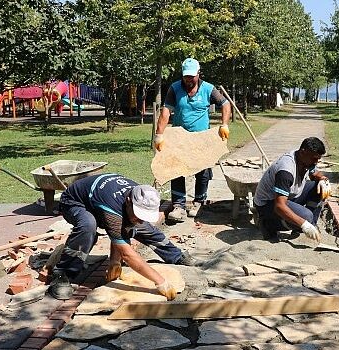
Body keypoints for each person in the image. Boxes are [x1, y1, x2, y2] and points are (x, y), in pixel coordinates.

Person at [48, 173, 198, 300]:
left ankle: (176, 256)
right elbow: (126, 253)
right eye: (139, 214)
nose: (140, 219)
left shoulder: (141, 196)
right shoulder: (113, 206)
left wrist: (114, 262)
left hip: (100, 200)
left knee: (145, 229)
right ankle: (62, 272)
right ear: (128, 202)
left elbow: (118, 232)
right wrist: (160, 282)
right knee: (88, 226)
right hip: (74, 202)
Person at [154, 57, 232, 222]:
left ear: (198, 73)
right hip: (180, 138)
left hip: (201, 139)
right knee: (176, 170)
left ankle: (198, 202)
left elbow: (225, 104)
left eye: (192, 76)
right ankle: (178, 206)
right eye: (186, 76)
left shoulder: (208, 89)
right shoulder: (175, 89)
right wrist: (159, 134)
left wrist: (224, 124)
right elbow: (166, 111)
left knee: (202, 172)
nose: (189, 80)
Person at [254, 137, 331, 242]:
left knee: (318, 187)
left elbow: (315, 174)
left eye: (318, 159)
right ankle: (268, 224)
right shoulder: (285, 171)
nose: (316, 162)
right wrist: (304, 224)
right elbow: (279, 206)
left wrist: (322, 180)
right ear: (303, 152)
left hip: (288, 197)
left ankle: (310, 224)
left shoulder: (305, 160)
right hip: (267, 204)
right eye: (314, 158)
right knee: (306, 217)